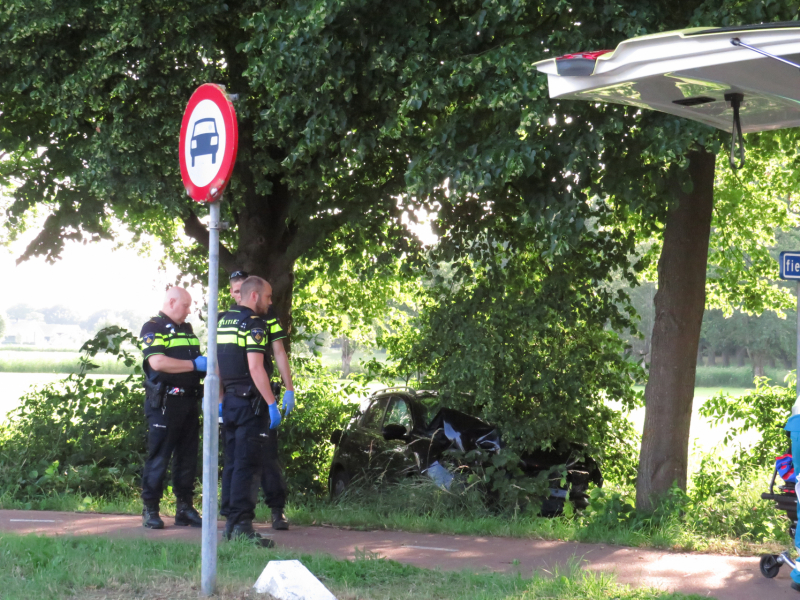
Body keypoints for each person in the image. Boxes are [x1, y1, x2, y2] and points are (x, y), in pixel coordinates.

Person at [225, 270, 295, 530]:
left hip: (244, 399)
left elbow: (278, 351)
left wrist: (288, 388)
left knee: (260, 458)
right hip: (251, 400)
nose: (270, 302)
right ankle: (237, 520)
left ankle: (269, 511)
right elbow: (254, 368)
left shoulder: (261, 318)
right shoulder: (243, 322)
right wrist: (271, 403)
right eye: (267, 297)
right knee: (242, 462)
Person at [139, 287, 206, 529]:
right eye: (186, 306)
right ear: (171, 301)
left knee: (187, 458)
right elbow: (157, 361)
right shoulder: (153, 327)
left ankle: (184, 508)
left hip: (189, 402)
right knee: (160, 457)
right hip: (166, 403)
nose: (189, 311)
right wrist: (193, 364)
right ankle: (150, 509)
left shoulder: (186, 330)